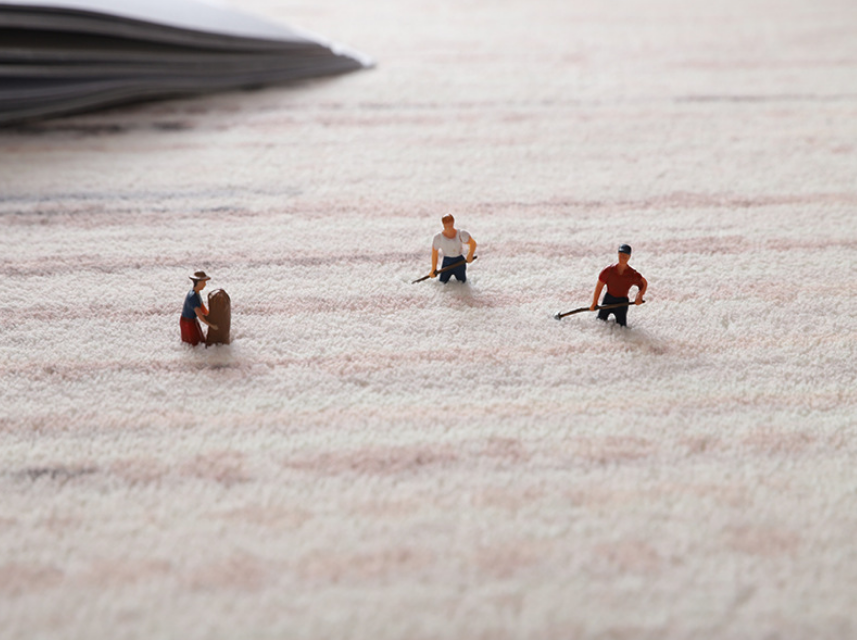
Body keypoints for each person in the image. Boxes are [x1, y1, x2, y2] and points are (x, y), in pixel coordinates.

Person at [590, 244, 647, 326]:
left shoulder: (632, 274)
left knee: (622, 326)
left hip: (622, 302)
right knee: (600, 321)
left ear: (629, 257)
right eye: (621, 255)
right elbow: (599, 286)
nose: (622, 257)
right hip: (608, 299)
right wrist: (594, 302)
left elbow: (643, 283)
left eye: (625, 256)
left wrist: (639, 296)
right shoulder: (608, 270)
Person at [430, 214, 477, 283]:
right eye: (446, 225)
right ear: (443, 225)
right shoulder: (438, 238)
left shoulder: (461, 234)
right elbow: (434, 253)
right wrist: (433, 269)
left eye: (450, 224)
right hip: (447, 262)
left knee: (462, 283)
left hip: (459, 261)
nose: (449, 227)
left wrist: (470, 254)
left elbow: (473, 243)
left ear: (453, 222)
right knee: (442, 282)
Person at [181, 270, 218, 345]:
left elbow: (202, 307)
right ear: (198, 282)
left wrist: (210, 316)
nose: (205, 284)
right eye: (203, 282)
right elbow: (200, 316)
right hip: (187, 322)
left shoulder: (197, 293)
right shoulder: (193, 297)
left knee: (200, 339)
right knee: (194, 342)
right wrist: (211, 325)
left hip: (193, 320)